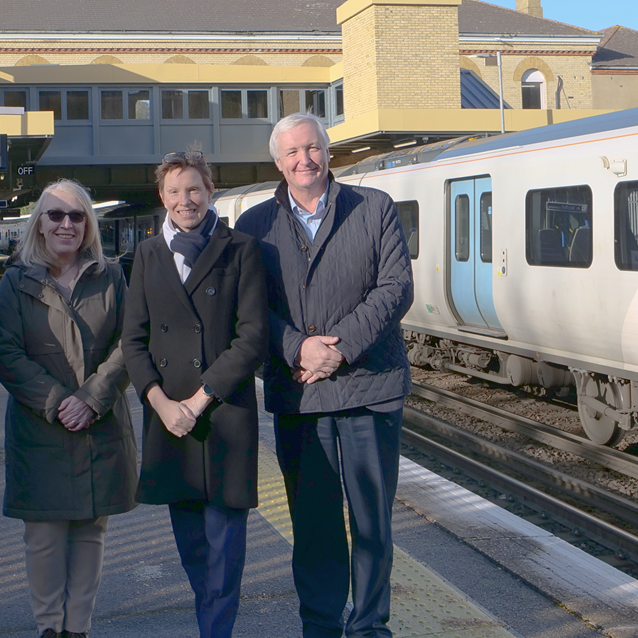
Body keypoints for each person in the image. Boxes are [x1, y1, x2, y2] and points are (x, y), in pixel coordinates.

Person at [234, 113, 414, 638]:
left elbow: (395, 287)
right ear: (278, 162)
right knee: (313, 523)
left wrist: (339, 350)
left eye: (312, 148)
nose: (303, 160)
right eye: (292, 153)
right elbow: (251, 308)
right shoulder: (255, 225)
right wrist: (297, 346)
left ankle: (369, 625)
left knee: (371, 521)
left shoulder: (372, 207)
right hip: (301, 397)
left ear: (328, 152)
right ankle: (320, 622)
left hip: (369, 387)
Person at [121, 150, 268, 638]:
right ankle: (211, 619)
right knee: (192, 548)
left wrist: (199, 399)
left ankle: (215, 631)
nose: (186, 200)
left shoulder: (240, 248)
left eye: (195, 189)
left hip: (223, 413)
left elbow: (252, 338)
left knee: (225, 551)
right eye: (175, 191)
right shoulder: (145, 255)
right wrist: (162, 404)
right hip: (169, 421)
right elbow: (134, 340)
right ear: (162, 196)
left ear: (210, 191)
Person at [0, 179, 138, 638]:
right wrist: (58, 402)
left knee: (91, 533)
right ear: (39, 225)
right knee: (45, 537)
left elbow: (130, 343)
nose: (66, 224)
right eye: (55, 215)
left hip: (101, 424)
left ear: (89, 224)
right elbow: (5, 353)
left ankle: (79, 629)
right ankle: (50, 628)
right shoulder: (16, 282)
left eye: (77, 216)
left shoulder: (111, 276)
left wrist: (92, 398)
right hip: (41, 429)